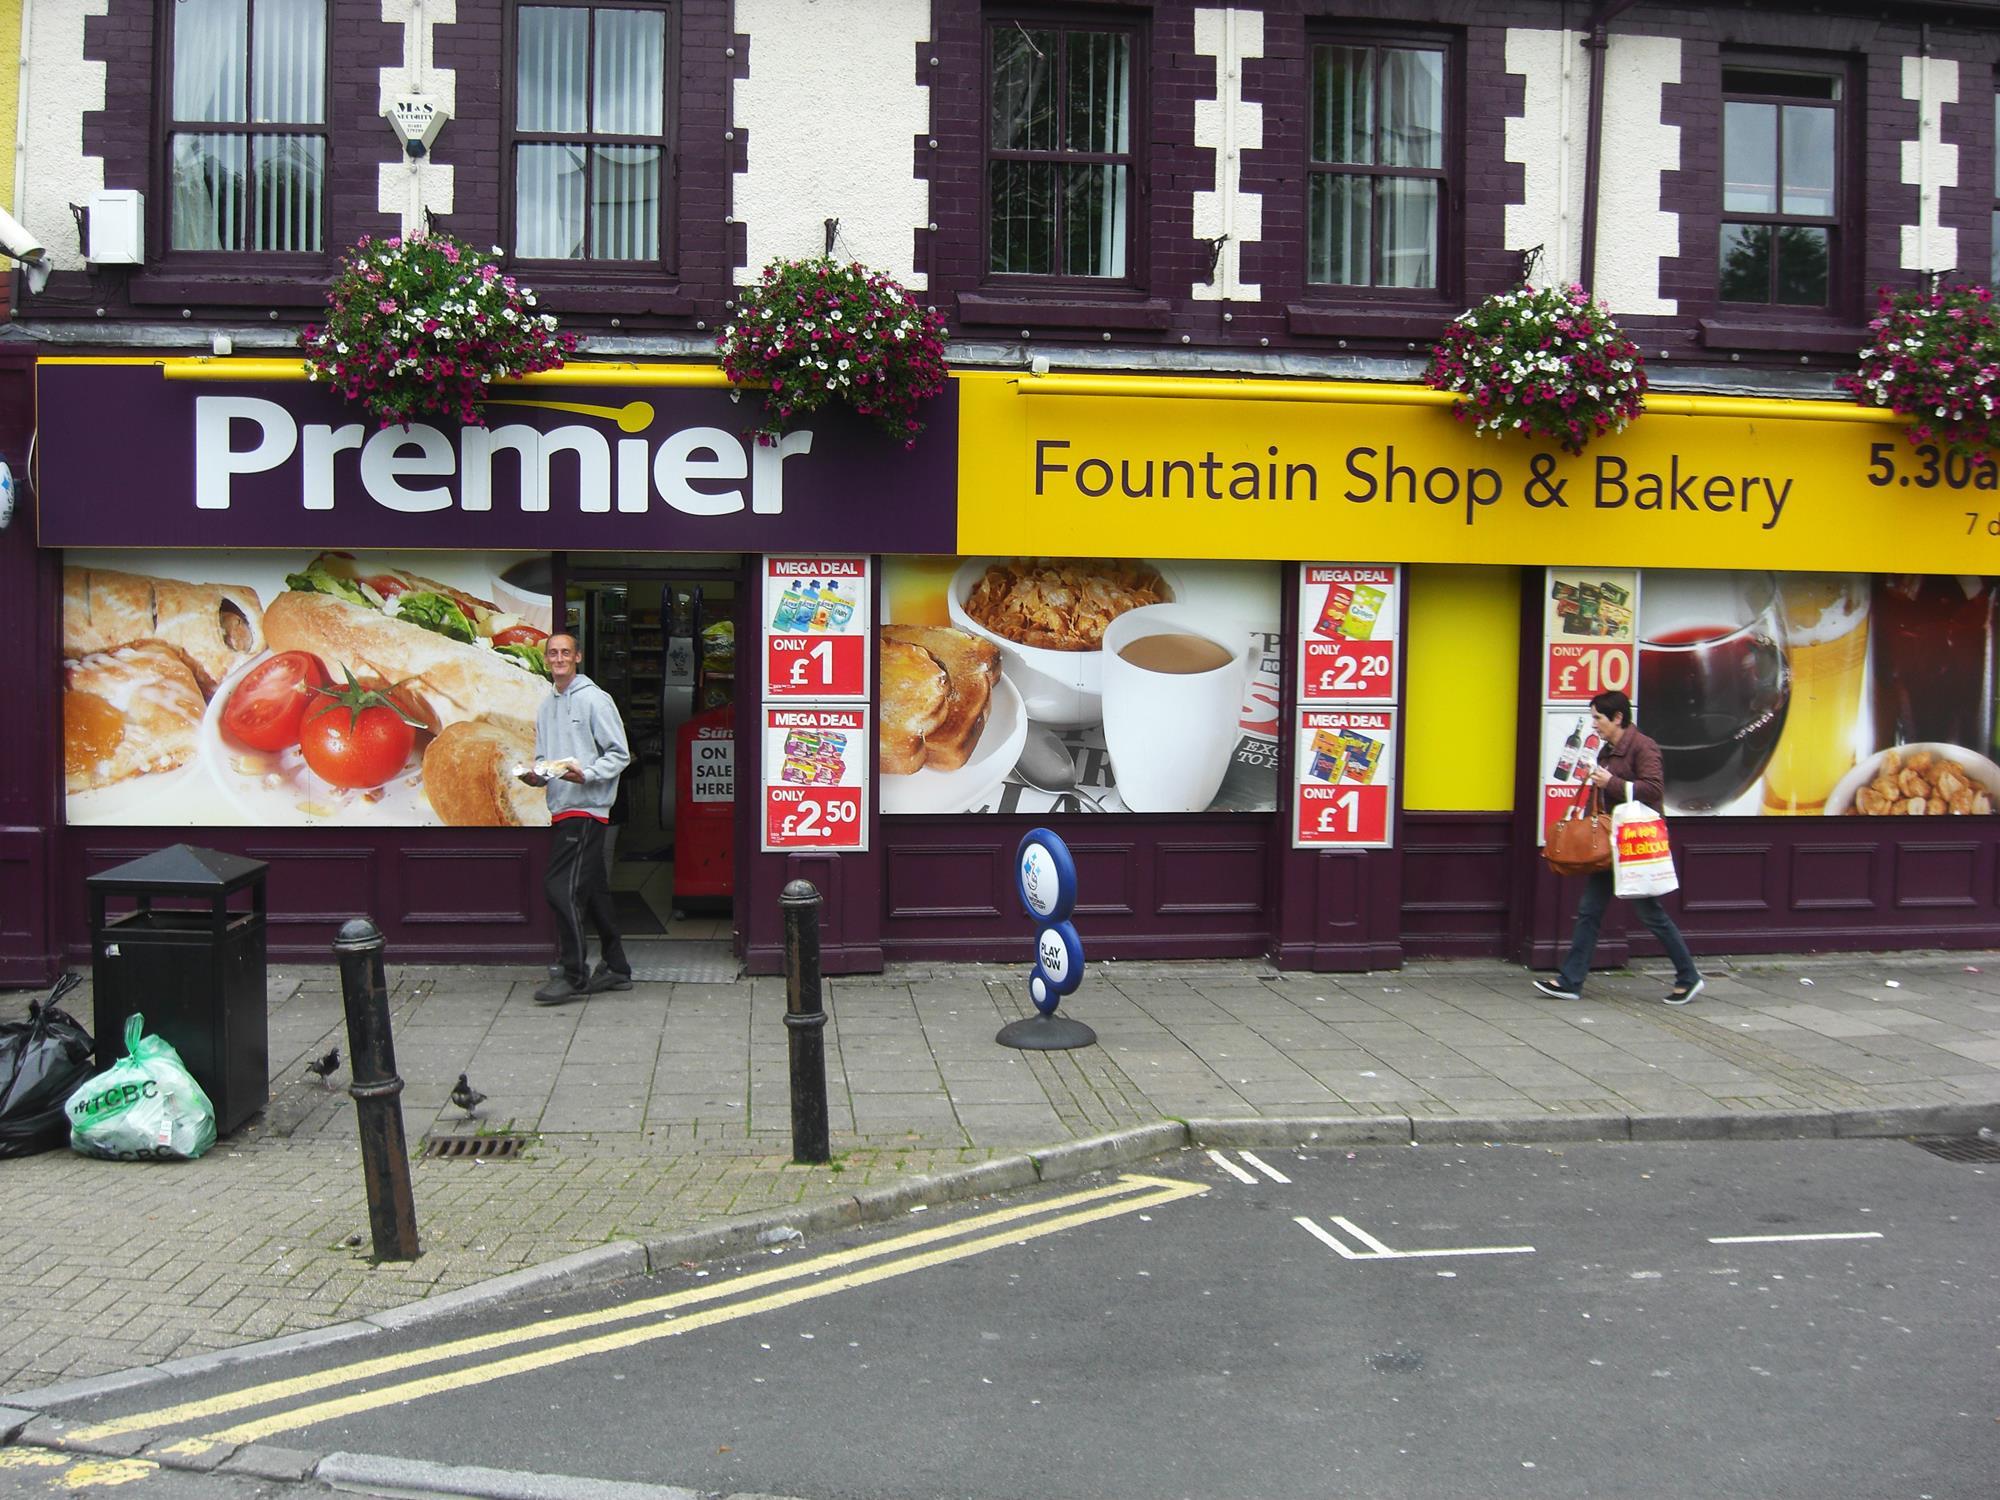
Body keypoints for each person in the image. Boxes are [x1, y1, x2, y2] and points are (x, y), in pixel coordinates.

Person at [1534, 690, 1705, 1005]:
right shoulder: (1606, 751)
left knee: (1650, 913)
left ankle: (1689, 976)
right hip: (1610, 844)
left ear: (1617, 717)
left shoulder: (1644, 746)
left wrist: (1610, 782)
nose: (1594, 725)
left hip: (1634, 843)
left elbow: (1653, 788)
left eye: (1598, 718)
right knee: (1589, 911)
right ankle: (1570, 982)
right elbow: (1603, 795)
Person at [524, 634, 633, 1004]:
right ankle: (616, 966)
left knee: (560, 887)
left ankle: (574, 973)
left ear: (578, 657)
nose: (559, 658)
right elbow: (545, 758)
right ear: (545, 659)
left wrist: (585, 774)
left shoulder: (594, 699)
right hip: (562, 806)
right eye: (553, 653)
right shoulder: (545, 706)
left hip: (586, 809)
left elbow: (620, 755)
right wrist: (536, 774)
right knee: (594, 891)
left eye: (565, 653)